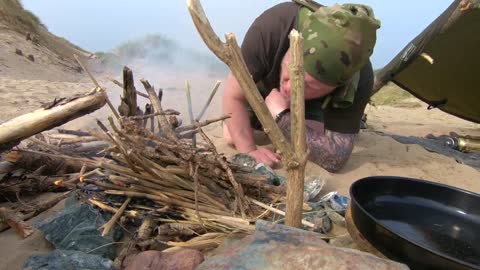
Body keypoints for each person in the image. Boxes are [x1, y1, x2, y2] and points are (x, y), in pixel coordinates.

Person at [222, 1, 381, 172]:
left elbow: (335, 158)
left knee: (311, 144)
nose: (290, 88)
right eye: (291, 72)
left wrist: (281, 117)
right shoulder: (273, 26)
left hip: (311, 107)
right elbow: (233, 96)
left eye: (309, 86)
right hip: (263, 91)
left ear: (336, 87)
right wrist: (249, 150)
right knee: (232, 136)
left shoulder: (359, 77)